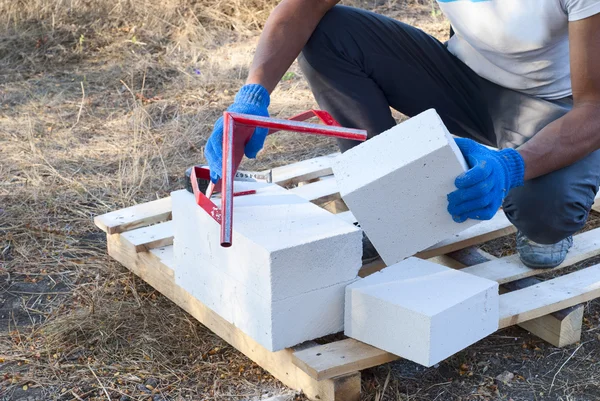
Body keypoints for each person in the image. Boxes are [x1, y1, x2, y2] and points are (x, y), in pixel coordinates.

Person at [204, 0, 600, 269]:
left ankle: (543, 194)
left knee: (546, 215)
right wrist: (252, 94)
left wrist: (513, 167)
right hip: (463, 78)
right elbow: (303, 9)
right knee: (329, 35)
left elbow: (594, 109)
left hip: (557, 105)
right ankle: (390, 202)